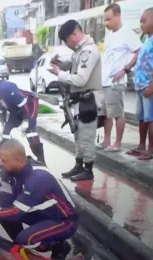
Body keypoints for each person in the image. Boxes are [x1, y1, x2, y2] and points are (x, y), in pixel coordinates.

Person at [0, 139, 78, 260]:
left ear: (18, 160)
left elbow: (15, 213)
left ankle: (58, 246)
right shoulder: (14, 168)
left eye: (4, 161)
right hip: (43, 212)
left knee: (24, 239)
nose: (1, 164)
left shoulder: (37, 178)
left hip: (64, 221)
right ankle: (25, 242)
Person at [48, 20, 102, 181]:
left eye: (66, 40)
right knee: (79, 136)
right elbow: (72, 66)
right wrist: (59, 65)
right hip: (80, 101)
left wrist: (59, 73)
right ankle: (79, 165)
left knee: (86, 136)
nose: (67, 44)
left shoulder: (88, 51)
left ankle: (88, 169)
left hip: (89, 101)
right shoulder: (79, 51)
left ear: (74, 34)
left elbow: (80, 80)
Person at [101, 3, 142, 152]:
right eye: (105, 19)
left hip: (116, 82)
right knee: (107, 113)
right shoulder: (110, 34)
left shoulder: (128, 34)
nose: (106, 23)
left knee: (118, 113)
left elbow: (139, 51)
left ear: (118, 15)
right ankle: (106, 141)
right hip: (105, 80)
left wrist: (125, 69)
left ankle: (117, 143)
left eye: (109, 19)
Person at [0, 80, 45, 164]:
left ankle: (41, 159)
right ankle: (7, 156)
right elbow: (1, 111)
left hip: (29, 103)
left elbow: (24, 105)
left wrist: (27, 121)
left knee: (30, 131)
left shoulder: (5, 88)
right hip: (15, 109)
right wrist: (4, 124)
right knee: (6, 132)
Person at [127, 8, 153, 160]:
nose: (141, 24)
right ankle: (141, 146)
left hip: (149, 86)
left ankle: (151, 149)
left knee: (151, 119)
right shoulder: (146, 39)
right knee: (142, 118)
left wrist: (151, 86)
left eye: (145, 20)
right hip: (140, 86)